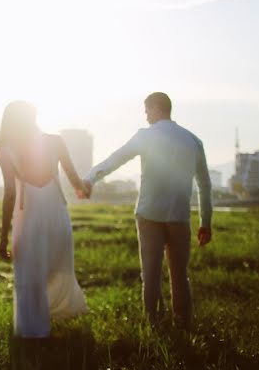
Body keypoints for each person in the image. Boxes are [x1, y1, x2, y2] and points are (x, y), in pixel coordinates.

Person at [81, 92, 212, 330]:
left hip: (149, 214)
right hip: (179, 216)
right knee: (180, 275)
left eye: (146, 110)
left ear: (155, 108)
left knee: (150, 275)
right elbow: (204, 184)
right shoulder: (193, 140)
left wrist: (90, 178)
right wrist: (206, 222)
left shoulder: (146, 136)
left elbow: (115, 160)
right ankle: (183, 325)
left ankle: (154, 325)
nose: (146, 116)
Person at [0, 101, 89, 338]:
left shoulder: (6, 148)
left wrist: (3, 236)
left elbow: (9, 194)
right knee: (57, 269)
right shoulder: (55, 141)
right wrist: (85, 187)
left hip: (29, 217)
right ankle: (55, 318)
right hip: (57, 215)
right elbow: (76, 181)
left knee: (29, 276)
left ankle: (33, 333)